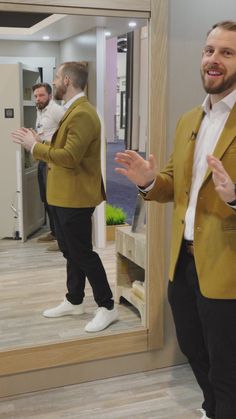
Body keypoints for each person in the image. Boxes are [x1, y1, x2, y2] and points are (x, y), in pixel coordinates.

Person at [115, 21, 236, 419]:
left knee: (228, 365)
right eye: (208, 51)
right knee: (192, 347)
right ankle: (212, 408)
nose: (212, 60)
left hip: (227, 267)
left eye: (226, 53)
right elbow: (173, 183)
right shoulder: (190, 119)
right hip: (183, 264)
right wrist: (150, 182)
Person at [12, 61, 119, 333]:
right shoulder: (74, 110)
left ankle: (107, 306)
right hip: (63, 195)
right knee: (71, 251)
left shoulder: (83, 113)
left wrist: (35, 147)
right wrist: (42, 142)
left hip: (75, 197)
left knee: (82, 253)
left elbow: (70, 158)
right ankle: (75, 299)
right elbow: (65, 148)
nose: (55, 82)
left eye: (57, 77)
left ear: (68, 81)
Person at [33, 82, 65, 251]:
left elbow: (66, 133)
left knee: (54, 200)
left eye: (41, 95)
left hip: (53, 160)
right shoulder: (40, 111)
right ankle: (54, 232)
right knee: (45, 198)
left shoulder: (57, 111)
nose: (38, 99)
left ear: (50, 96)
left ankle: (61, 240)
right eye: (36, 96)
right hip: (42, 159)